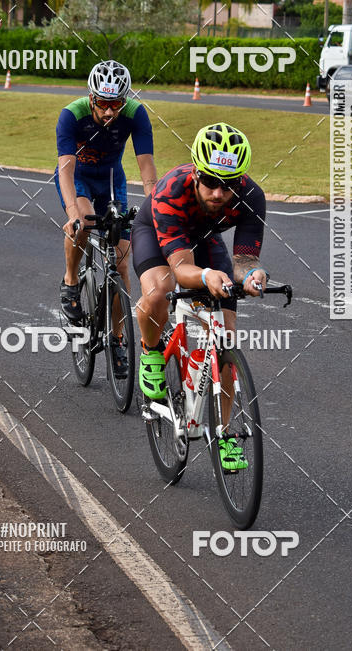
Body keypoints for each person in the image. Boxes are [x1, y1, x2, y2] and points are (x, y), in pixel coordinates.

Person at [132, 122, 267, 470]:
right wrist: (206, 276)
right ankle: (151, 353)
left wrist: (252, 275)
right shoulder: (170, 192)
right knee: (161, 291)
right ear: (195, 172)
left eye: (229, 184)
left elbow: (243, 261)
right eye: (209, 181)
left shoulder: (251, 197)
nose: (218, 194)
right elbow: (180, 269)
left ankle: (225, 435)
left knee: (226, 338)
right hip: (158, 233)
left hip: (205, 238)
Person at [54, 60, 157, 376]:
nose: (110, 112)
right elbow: (66, 171)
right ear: (91, 97)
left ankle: (118, 339)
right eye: (103, 103)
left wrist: (156, 210)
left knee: (122, 264)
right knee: (83, 223)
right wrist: (72, 214)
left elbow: (148, 171)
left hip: (113, 181)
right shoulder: (72, 115)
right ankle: (71, 281)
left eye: (117, 104)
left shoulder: (136, 114)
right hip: (81, 180)